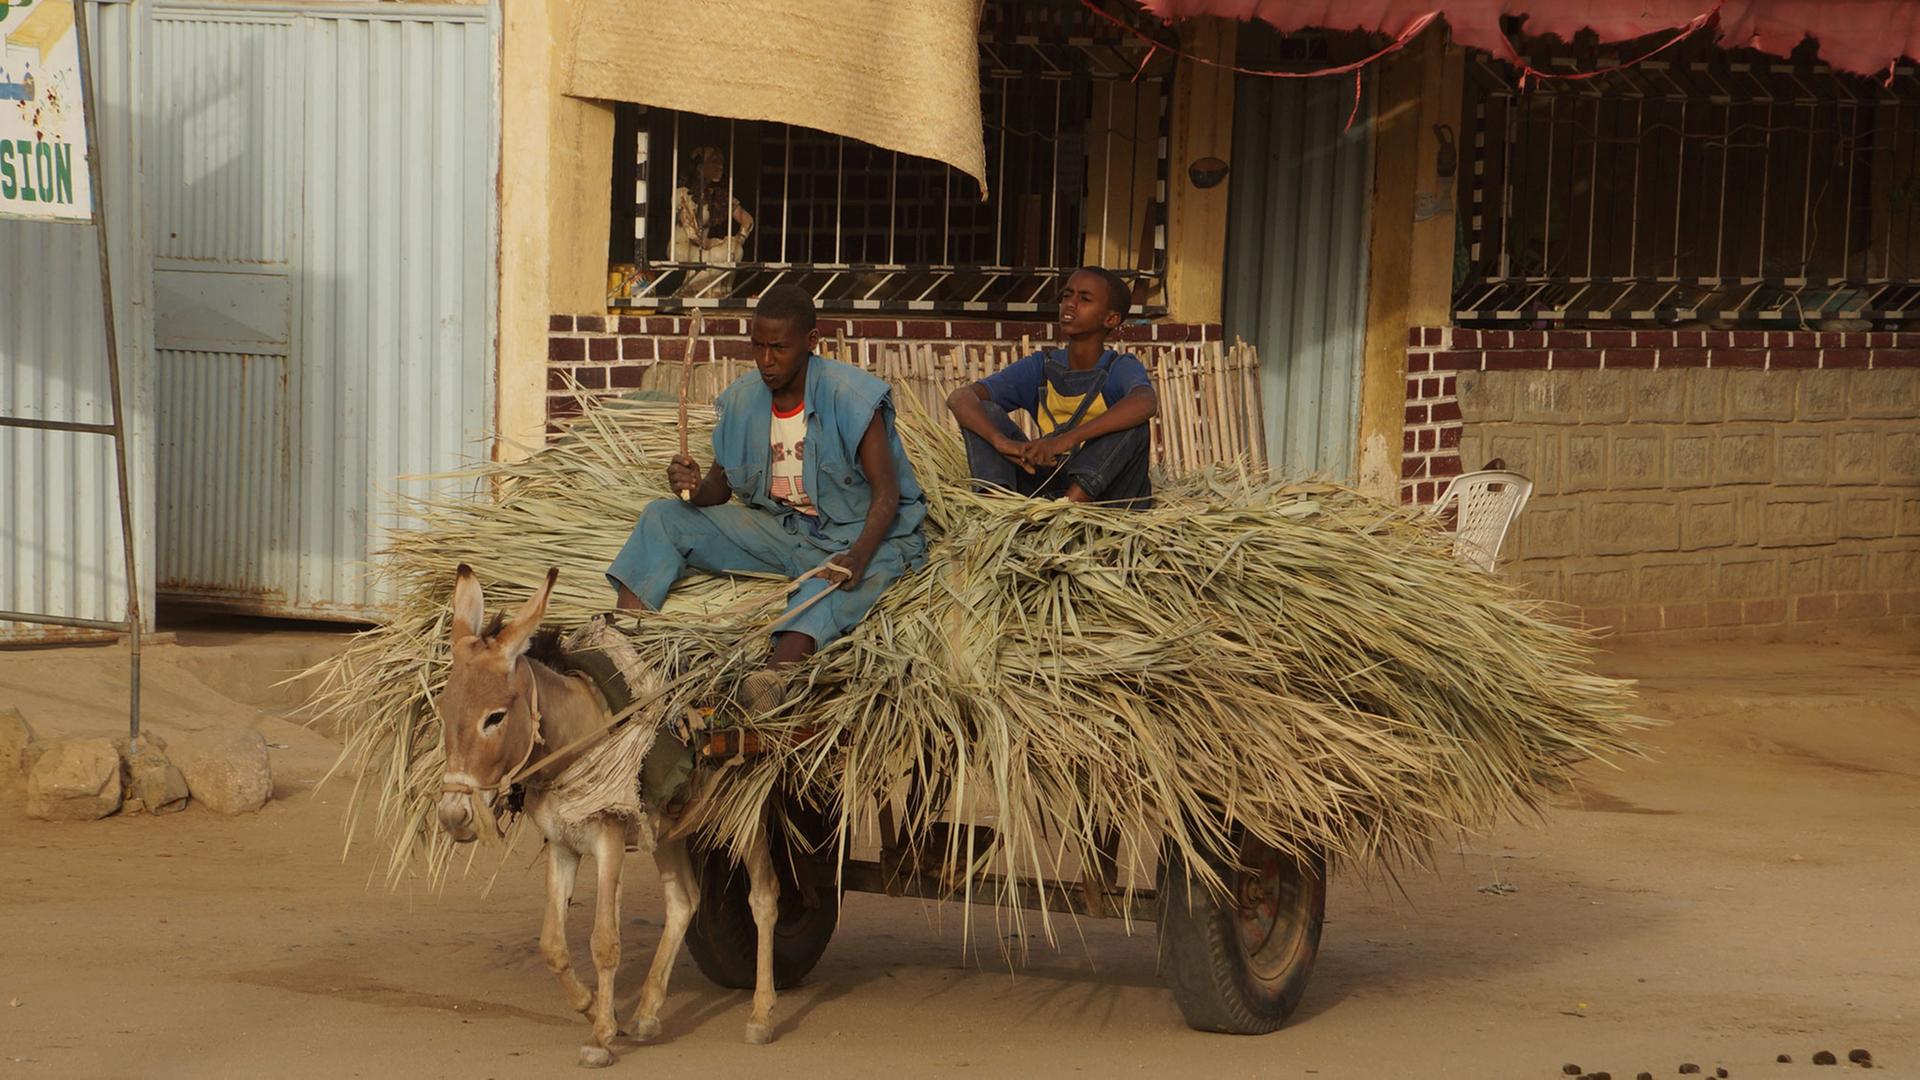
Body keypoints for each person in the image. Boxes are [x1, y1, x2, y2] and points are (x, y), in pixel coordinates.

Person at [606, 285, 928, 712]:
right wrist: (691, 487)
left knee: (827, 588)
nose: (766, 360)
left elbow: (887, 494)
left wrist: (858, 556)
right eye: (757, 346)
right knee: (663, 517)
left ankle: (773, 677)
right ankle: (624, 641)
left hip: (861, 536)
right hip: (785, 531)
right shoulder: (743, 400)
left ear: (811, 343)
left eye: (778, 348)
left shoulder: (849, 397)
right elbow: (719, 490)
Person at [946, 266, 1158, 507]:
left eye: (1084, 299)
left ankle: (1065, 510)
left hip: (1107, 498)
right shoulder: (1042, 366)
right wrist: (1001, 442)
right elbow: (959, 398)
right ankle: (998, 508)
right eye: (1067, 295)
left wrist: (1064, 440)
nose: (1070, 304)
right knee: (983, 411)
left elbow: (1145, 402)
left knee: (1132, 423)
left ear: (1111, 319)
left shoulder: (1119, 367)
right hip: (1048, 485)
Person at [672, 145, 754, 264]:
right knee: (716, 255)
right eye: (714, 161)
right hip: (682, 248)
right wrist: (715, 243)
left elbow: (748, 221)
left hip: (704, 248)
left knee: (734, 251)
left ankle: (723, 283)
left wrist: (738, 240)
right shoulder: (683, 194)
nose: (720, 166)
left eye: (721, 162)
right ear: (700, 167)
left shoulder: (717, 195)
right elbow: (691, 231)